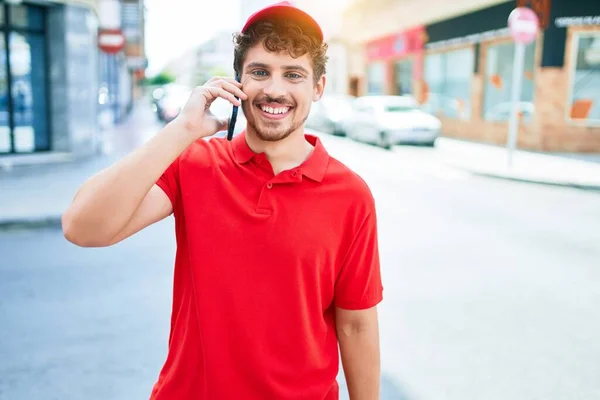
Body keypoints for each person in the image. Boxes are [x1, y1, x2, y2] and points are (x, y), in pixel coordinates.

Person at [62, 1, 383, 399]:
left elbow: (355, 324)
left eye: (293, 74)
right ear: (237, 83)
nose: (274, 89)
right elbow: (82, 226)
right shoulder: (195, 163)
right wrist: (182, 130)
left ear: (317, 88)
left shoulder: (350, 194)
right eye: (260, 72)